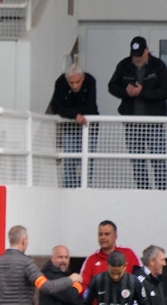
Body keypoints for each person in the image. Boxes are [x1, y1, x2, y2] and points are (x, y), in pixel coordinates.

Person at [107, 36, 167, 191]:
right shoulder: (124, 65)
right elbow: (112, 86)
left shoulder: (158, 66)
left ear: (147, 50)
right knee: (137, 162)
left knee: (158, 161)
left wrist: (142, 92)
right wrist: (126, 92)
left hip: (154, 124)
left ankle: (162, 192)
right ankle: (143, 191)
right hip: (132, 124)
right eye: (134, 55)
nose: (137, 58)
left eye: (140, 55)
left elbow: (164, 91)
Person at [48, 64, 98, 189]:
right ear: (66, 79)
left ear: (83, 77)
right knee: (69, 163)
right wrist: (75, 115)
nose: (75, 86)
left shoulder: (90, 81)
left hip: (89, 129)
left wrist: (71, 113)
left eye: (78, 82)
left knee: (87, 163)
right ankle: (70, 191)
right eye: (71, 82)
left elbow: (91, 107)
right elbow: (56, 106)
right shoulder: (60, 82)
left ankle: (84, 190)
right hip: (70, 130)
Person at [80, 220, 141, 288]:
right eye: (100, 234)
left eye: (107, 234)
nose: (103, 237)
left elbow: (141, 278)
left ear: (115, 236)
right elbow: (84, 285)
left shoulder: (129, 254)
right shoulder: (91, 259)